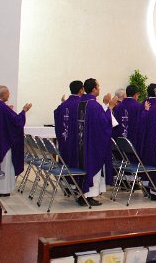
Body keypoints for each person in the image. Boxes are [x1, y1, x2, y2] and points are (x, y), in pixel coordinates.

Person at [0, 85, 32, 196]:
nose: (9, 95)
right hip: (2, 144)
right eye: (8, 93)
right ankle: (2, 190)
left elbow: (3, 121)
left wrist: (9, 111)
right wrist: (24, 111)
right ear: (3, 94)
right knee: (4, 164)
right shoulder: (2, 107)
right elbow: (16, 122)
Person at [77, 78, 117, 206]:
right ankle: (88, 196)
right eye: (98, 87)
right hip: (93, 144)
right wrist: (110, 107)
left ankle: (82, 194)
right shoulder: (94, 105)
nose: (99, 89)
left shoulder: (82, 102)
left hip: (83, 142)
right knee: (92, 166)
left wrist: (104, 105)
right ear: (94, 89)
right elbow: (104, 124)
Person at [53, 80, 83, 168]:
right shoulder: (82, 104)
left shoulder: (63, 105)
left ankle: (64, 174)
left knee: (65, 160)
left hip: (64, 140)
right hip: (76, 142)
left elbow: (56, 114)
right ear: (81, 90)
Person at [112, 85, 143, 150]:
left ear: (126, 94)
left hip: (120, 144)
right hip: (133, 143)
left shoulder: (118, 107)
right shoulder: (139, 107)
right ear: (135, 95)